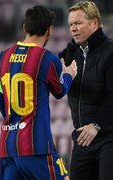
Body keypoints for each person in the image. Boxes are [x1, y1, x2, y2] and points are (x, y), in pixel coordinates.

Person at [0, 5, 77, 180]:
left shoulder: (2, 57)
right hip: (36, 147)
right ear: (49, 30)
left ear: (24, 27)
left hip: (8, 147)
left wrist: (14, 121)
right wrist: (69, 75)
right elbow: (60, 91)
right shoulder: (47, 59)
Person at [59, 1, 113, 180]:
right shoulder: (70, 52)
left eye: (78, 23)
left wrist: (96, 124)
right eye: (70, 24)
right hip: (83, 138)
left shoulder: (110, 52)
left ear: (94, 23)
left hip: (109, 138)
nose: (73, 29)